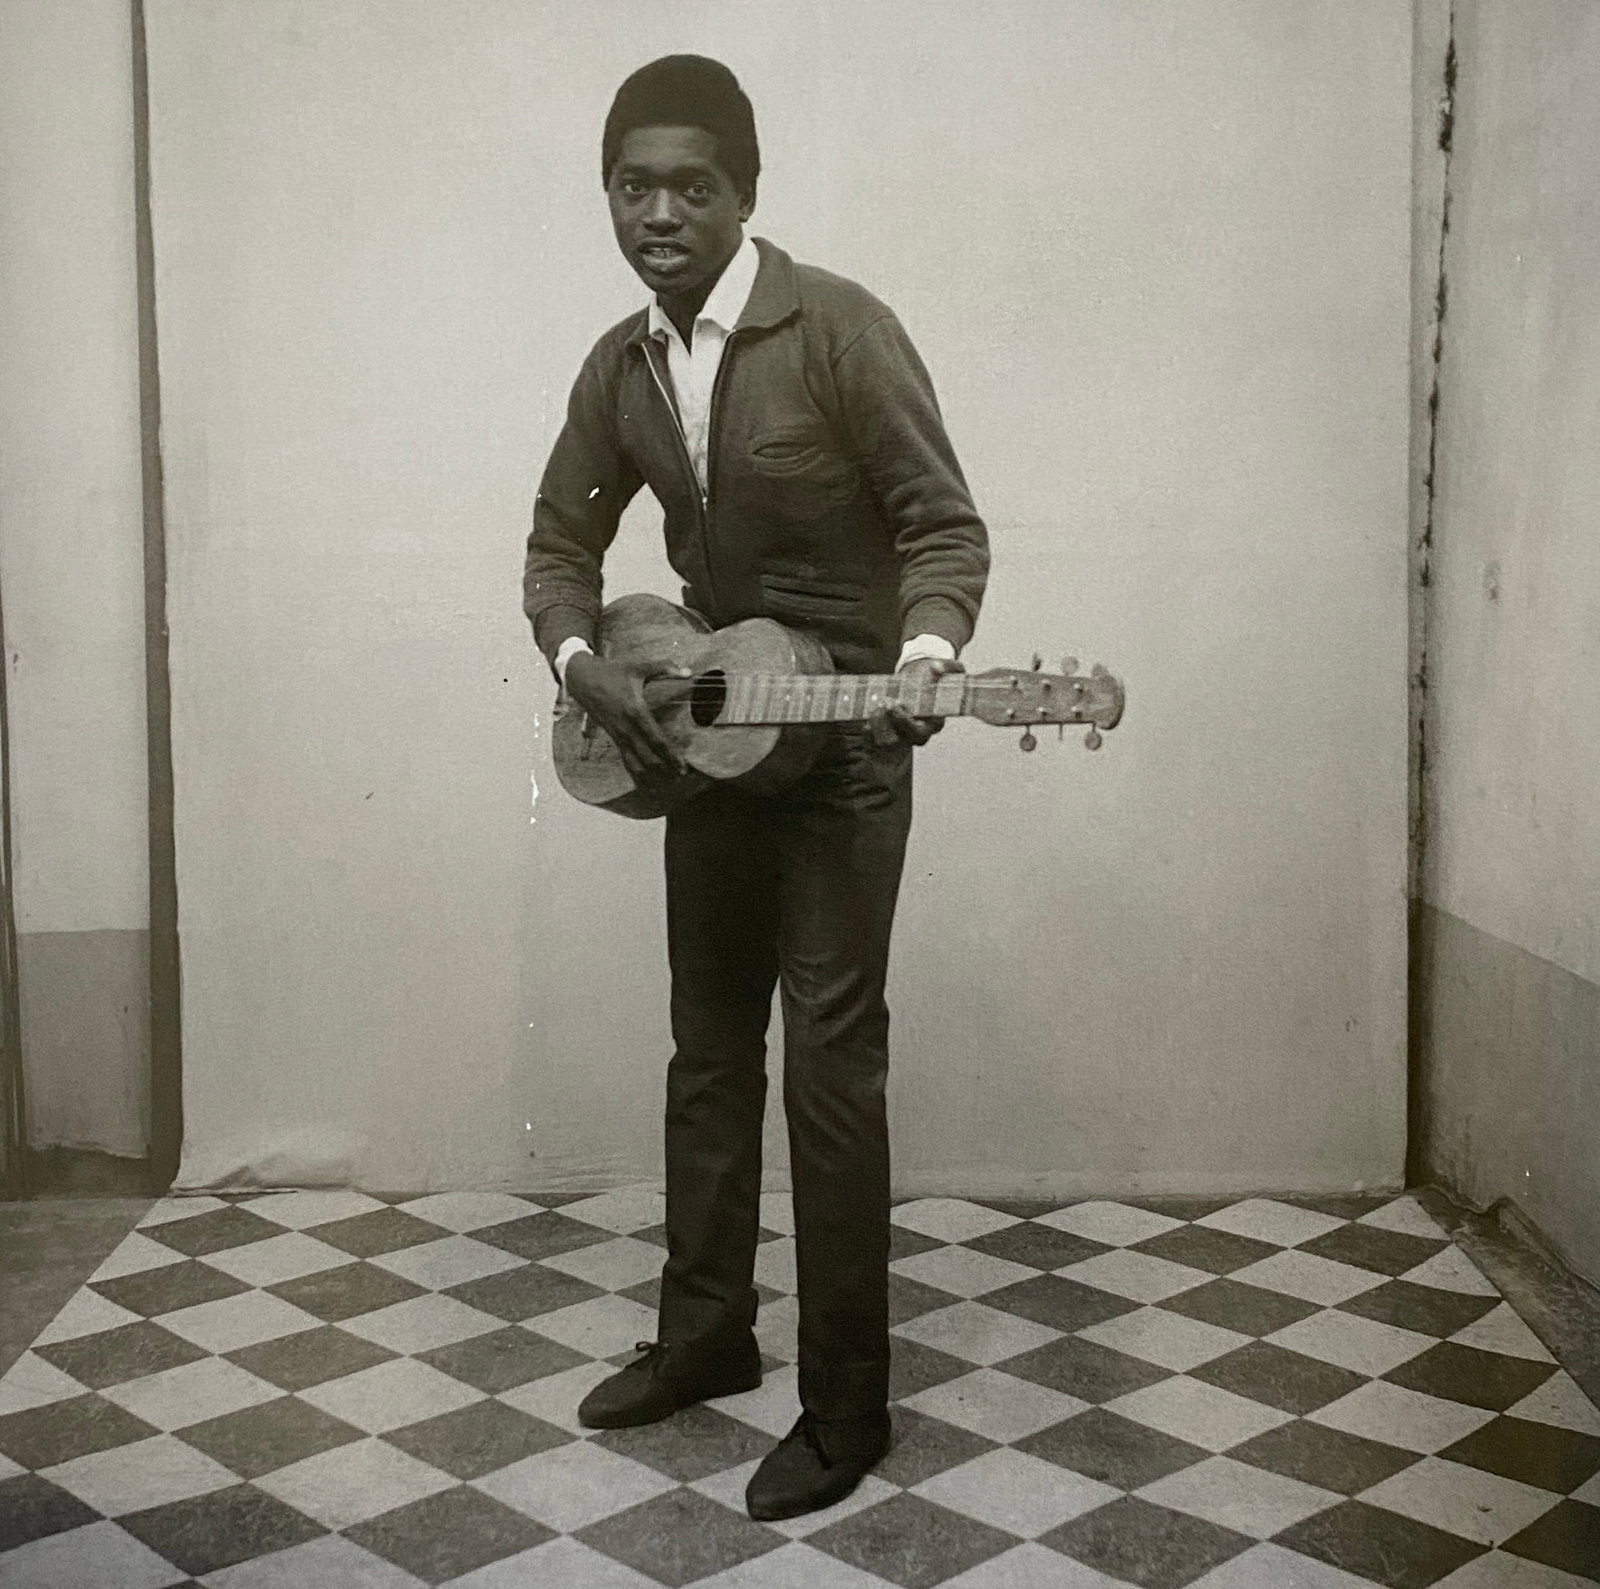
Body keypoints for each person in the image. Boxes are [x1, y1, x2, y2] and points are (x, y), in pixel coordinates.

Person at [523, 54, 988, 1521]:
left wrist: (924, 655)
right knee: (708, 1049)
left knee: (830, 1074)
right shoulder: (622, 365)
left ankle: (848, 1407)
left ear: (745, 194)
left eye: (692, 186)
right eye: (634, 186)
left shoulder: (842, 329)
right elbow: (557, 547)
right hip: (706, 751)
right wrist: (584, 658)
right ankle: (707, 1337)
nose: (661, 213)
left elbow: (943, 528)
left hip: (843, 755)